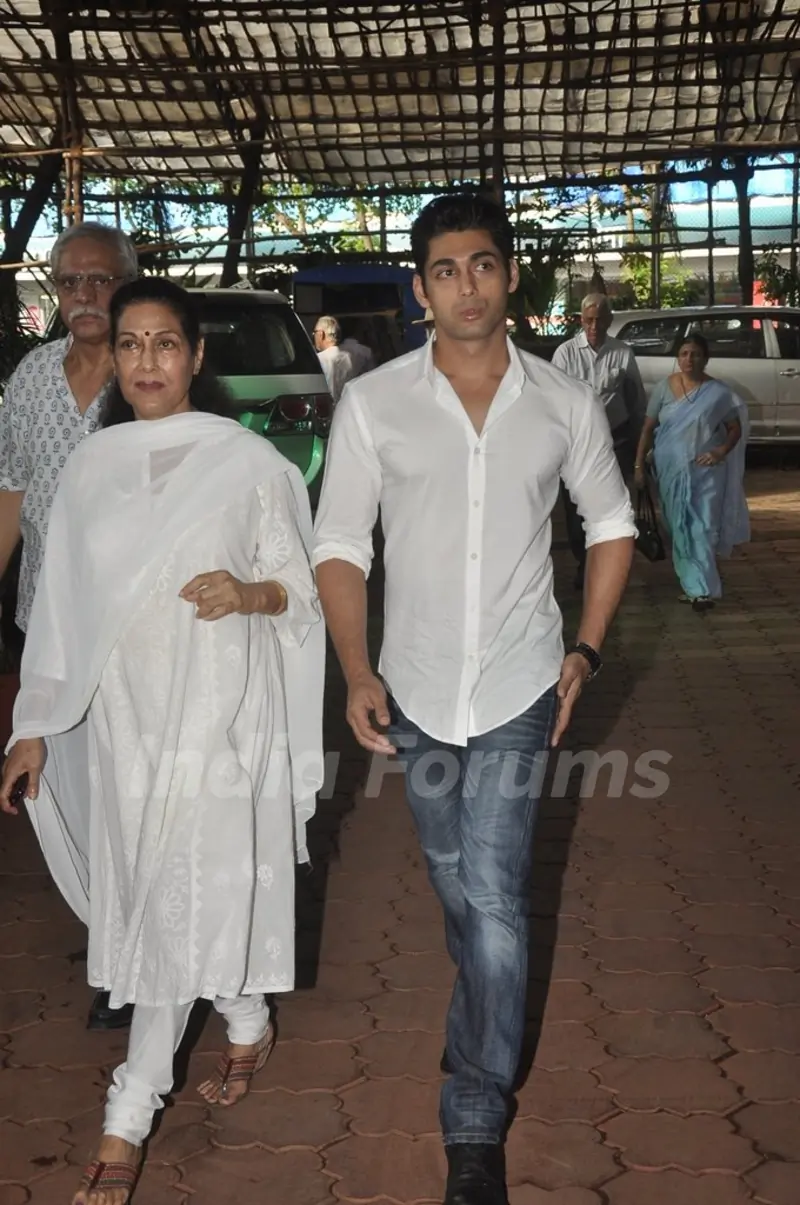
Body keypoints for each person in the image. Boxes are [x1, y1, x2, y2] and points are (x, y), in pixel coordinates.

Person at [312, 193, 635, 1205]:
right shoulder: (372, 405)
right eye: (444, 269)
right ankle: (482, 1003)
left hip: (517, 683)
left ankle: (473, 1113)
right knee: (458, 886)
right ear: (419, 290)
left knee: (494, 894)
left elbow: (612, 522)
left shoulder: (562, 403)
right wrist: (357, 669)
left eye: (483, 264)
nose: (466, 284)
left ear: (508, 276)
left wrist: (582, 647)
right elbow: (336, 545)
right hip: (410, 684)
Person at [0, 278, 325, 1205]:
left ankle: (128, 1110)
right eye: (133, 344)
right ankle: (247, 1010)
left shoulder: (249, 465)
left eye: (165, 344)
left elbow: (297, 590)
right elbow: (59, 612)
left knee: (172, 894)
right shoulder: (92, 471)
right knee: (160, 884)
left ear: (197, 356)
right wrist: (32, 727)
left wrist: (247, 592)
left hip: (222, 711)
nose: (146, 361)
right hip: (125, 721)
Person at [0, 221, 139, 1032]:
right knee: (78, 797)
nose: (85, 296)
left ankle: (145, 956)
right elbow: (13, 495)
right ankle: (117, 948)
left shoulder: (149, 372)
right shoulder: (28, 379)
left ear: (127, 280)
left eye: (100, 280)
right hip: (50, 632)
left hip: (133, 633)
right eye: (71, 281)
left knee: (134, 795)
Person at [634, 331, 748, 611]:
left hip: (706, 471)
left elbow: (735, 429)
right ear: (678, 358)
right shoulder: (664, 387)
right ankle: (694, 584)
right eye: (684, 354)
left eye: (695, 354)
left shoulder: (718, 393)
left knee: (704, 527)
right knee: (679, 527)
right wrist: (638, 466)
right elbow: (648, 429)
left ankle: (701, 590)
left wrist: (720, 451)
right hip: (670, 470)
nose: (689, 359)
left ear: (705, 358)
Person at [552, 293, 646, 588]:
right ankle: (584, 563)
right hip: (576, 443)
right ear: (581, 320)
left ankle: (608, 566)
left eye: (599, 319)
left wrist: (640, 447)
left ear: (608, 319)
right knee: (575, 506)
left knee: (611, 505)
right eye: (588, 319)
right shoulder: (565, 353)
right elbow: (552, 402)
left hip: (614, 441)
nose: (593, 326)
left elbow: (637, 400)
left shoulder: (622, 352)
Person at [312, 315, 354, 400]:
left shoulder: (318, 359)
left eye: (315, 333)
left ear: (321, 334)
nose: (313, 336)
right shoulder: (349, 357)